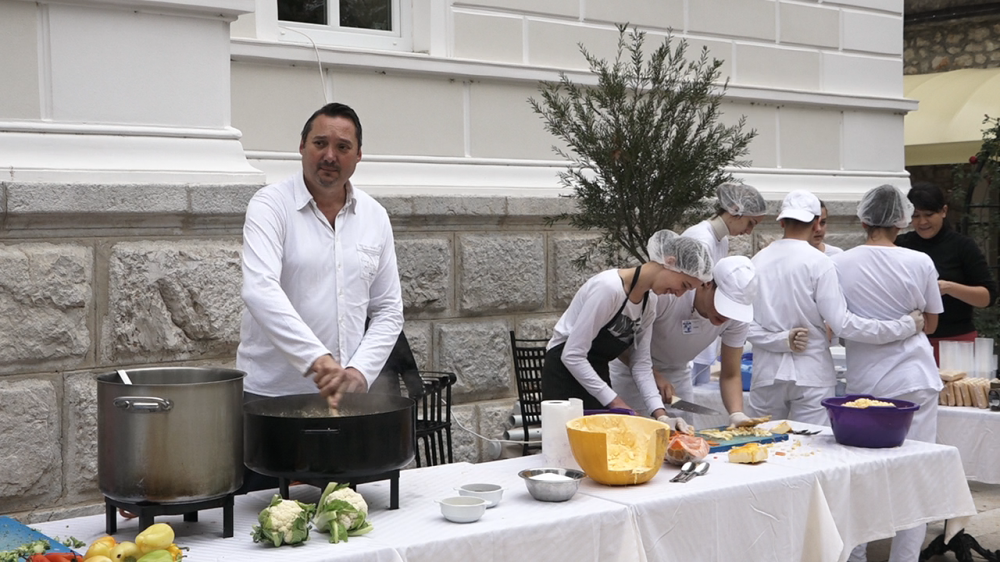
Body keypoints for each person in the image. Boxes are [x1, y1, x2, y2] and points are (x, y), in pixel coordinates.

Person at [238, 102, 404, 407]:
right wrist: (317, 358)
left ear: (358, 155)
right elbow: (259, 289)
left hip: (347, 399)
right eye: (320, 143)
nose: (330, 156)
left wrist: (360, 371)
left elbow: (388, 309)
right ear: (302, 146)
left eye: (343, 147)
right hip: (271, 396)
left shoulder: (375, 216)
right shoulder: (270, 206)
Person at [746, 190, 923, 424]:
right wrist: (904, 326)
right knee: (812, 444)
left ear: (781, 222)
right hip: (811, 374)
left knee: (760, 441)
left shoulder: (756, 262)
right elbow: (844, 324)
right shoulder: (819, 262)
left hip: (767, 374)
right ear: (816, 223)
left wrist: (780, 340)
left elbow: (743, 325)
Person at [833, 185, 942, 562]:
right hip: (915, 377)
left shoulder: (841, 264)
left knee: (863, 474)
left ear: (863, 220)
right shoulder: (920, 261)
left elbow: (837, 322)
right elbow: (931, 324)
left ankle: (856, 554)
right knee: (916, 474)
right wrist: (907, 322)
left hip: (866, 382)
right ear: (903, 220)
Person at [541, 230, 713, 432]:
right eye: (683, 285)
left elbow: (641, 364)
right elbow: (572, 354)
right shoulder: (609, 288)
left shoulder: (649, 303)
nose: (679, 294)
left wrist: (661, 415)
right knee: (566, 446)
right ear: (670, 262)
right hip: (563, 374)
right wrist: (616, 402)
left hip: (597, 373)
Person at [609, 256, 761, 429]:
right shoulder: (671, 294)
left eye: (734, 310)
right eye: (724, 305)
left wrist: (736, 413)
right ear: (707, 284)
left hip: (678, 374)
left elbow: (731, 373)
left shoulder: (737, 320)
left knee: (684, 436)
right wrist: (654, 375)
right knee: (633, 433)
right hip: (630, 370)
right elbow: (621, 343)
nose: (727, 316)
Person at [896, 182, 997, 363]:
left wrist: (949, 287)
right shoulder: (900, 245)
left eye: (929, 215)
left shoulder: (963, 246)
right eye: (916, 216)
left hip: (957, 343)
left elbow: (988, 297)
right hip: (909, 341)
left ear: (943, 211)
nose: (922, 222)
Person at [682, 182, 768, 385]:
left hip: (702, 329)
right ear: (736, 210)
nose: (749, 232)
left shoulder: (721, 240)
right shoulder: (700, 239)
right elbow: (689, 294)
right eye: (750, 223)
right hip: (685, 332)